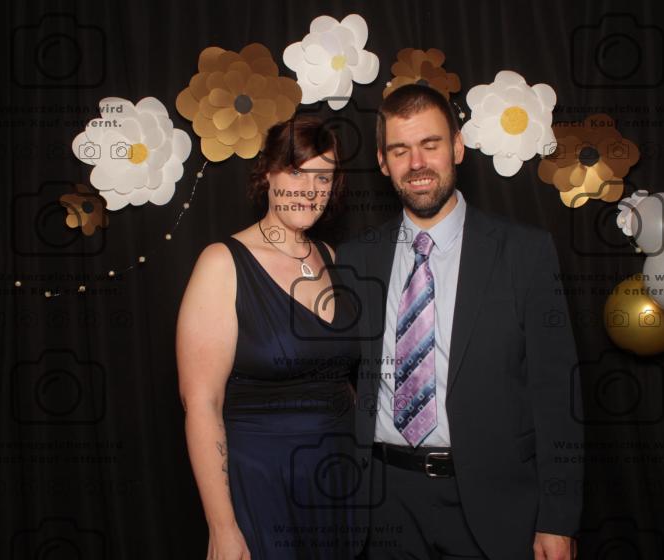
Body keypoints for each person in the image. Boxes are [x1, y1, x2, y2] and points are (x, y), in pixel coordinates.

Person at [335, 85, 583, 560]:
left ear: (457, 147)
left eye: (430, 144)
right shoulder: (354, 259)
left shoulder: (525, 252)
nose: (417, 163)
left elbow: (558, 395)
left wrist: (558, 518)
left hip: (494, 502)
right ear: (383, 162)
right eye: (400, 150)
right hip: (384, 504)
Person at [176, 115, 360, 560]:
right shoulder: (222, 264)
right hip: (263, 486)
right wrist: (222, 527)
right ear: (268, 174)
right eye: (296, 172)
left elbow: (342, 380)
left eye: (323, 177)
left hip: (339, 484)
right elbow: (201, 404)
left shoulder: (331, 257)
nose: (309, 189)